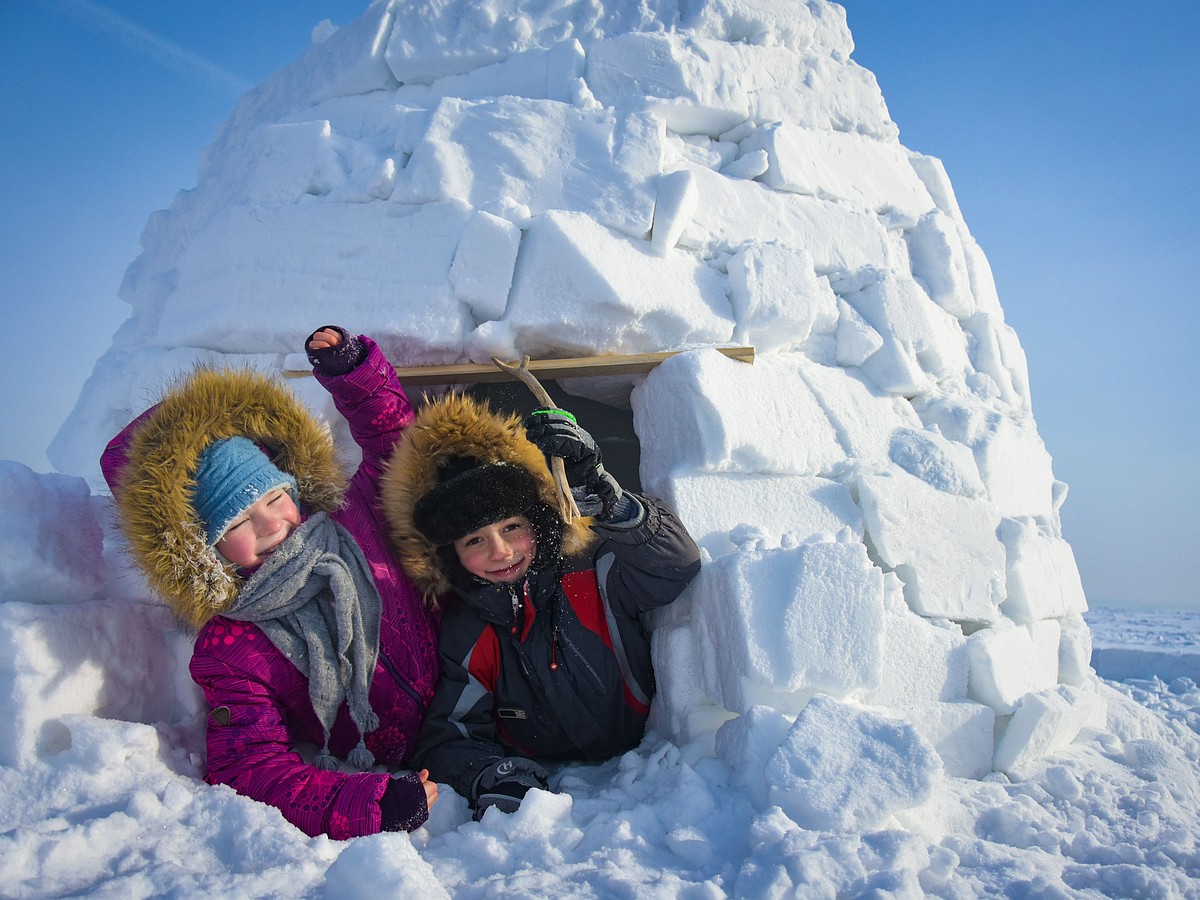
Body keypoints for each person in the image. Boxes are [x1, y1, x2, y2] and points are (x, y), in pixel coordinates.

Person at [100, 326, 441, 839]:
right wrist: (365, 804)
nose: (270, 526)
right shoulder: (234, 645)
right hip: (388, 759)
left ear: (293, 485)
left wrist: (352, 373)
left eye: (273, 498)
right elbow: (248, 768)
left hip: (471, 703)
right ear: (202, 548)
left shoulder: (356, 517)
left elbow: (396, 441)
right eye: (234, 525)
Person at [380, 392, 702, 820]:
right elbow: (448, 734)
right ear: (449, 556)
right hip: (539, 762)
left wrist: (614, 502)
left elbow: (674, 567)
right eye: (474, 540)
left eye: (512, 527)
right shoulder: (467, 626)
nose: (500, 551)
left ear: (539, 520)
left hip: (647, 769)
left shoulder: (593, 570)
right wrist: (494, 773)